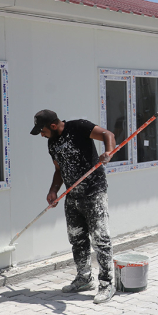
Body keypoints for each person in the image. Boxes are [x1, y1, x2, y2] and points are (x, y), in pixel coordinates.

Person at [30, 109, 117, 304]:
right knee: (77, 238)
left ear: (53, 125)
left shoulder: (78, 127)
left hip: (94, 192)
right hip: (72, 194)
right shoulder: (52, 142)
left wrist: (109, 152)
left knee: (100, 239)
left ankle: (107, 283)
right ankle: (84, 278)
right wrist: (53, 190)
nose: (41, 134)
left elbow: (107, 135)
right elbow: (58, 170)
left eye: (42, 130)